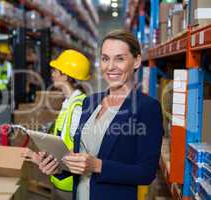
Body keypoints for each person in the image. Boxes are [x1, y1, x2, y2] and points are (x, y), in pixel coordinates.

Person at [37, 30, 164, 200]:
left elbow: (146, 173)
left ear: (136, 61)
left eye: (120, 58)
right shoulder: (90, 102)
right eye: (105, 58)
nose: (110, 66)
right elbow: (79, 161)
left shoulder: (147, 107)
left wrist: (98, 166)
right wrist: (57, 167)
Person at [24, 49, 91, 200]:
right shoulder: (68, 103)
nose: (53, 74)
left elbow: (79, 150)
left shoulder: (78, 106)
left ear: (65, 75)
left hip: (70, 184)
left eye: (56, 70)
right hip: (60, 177)